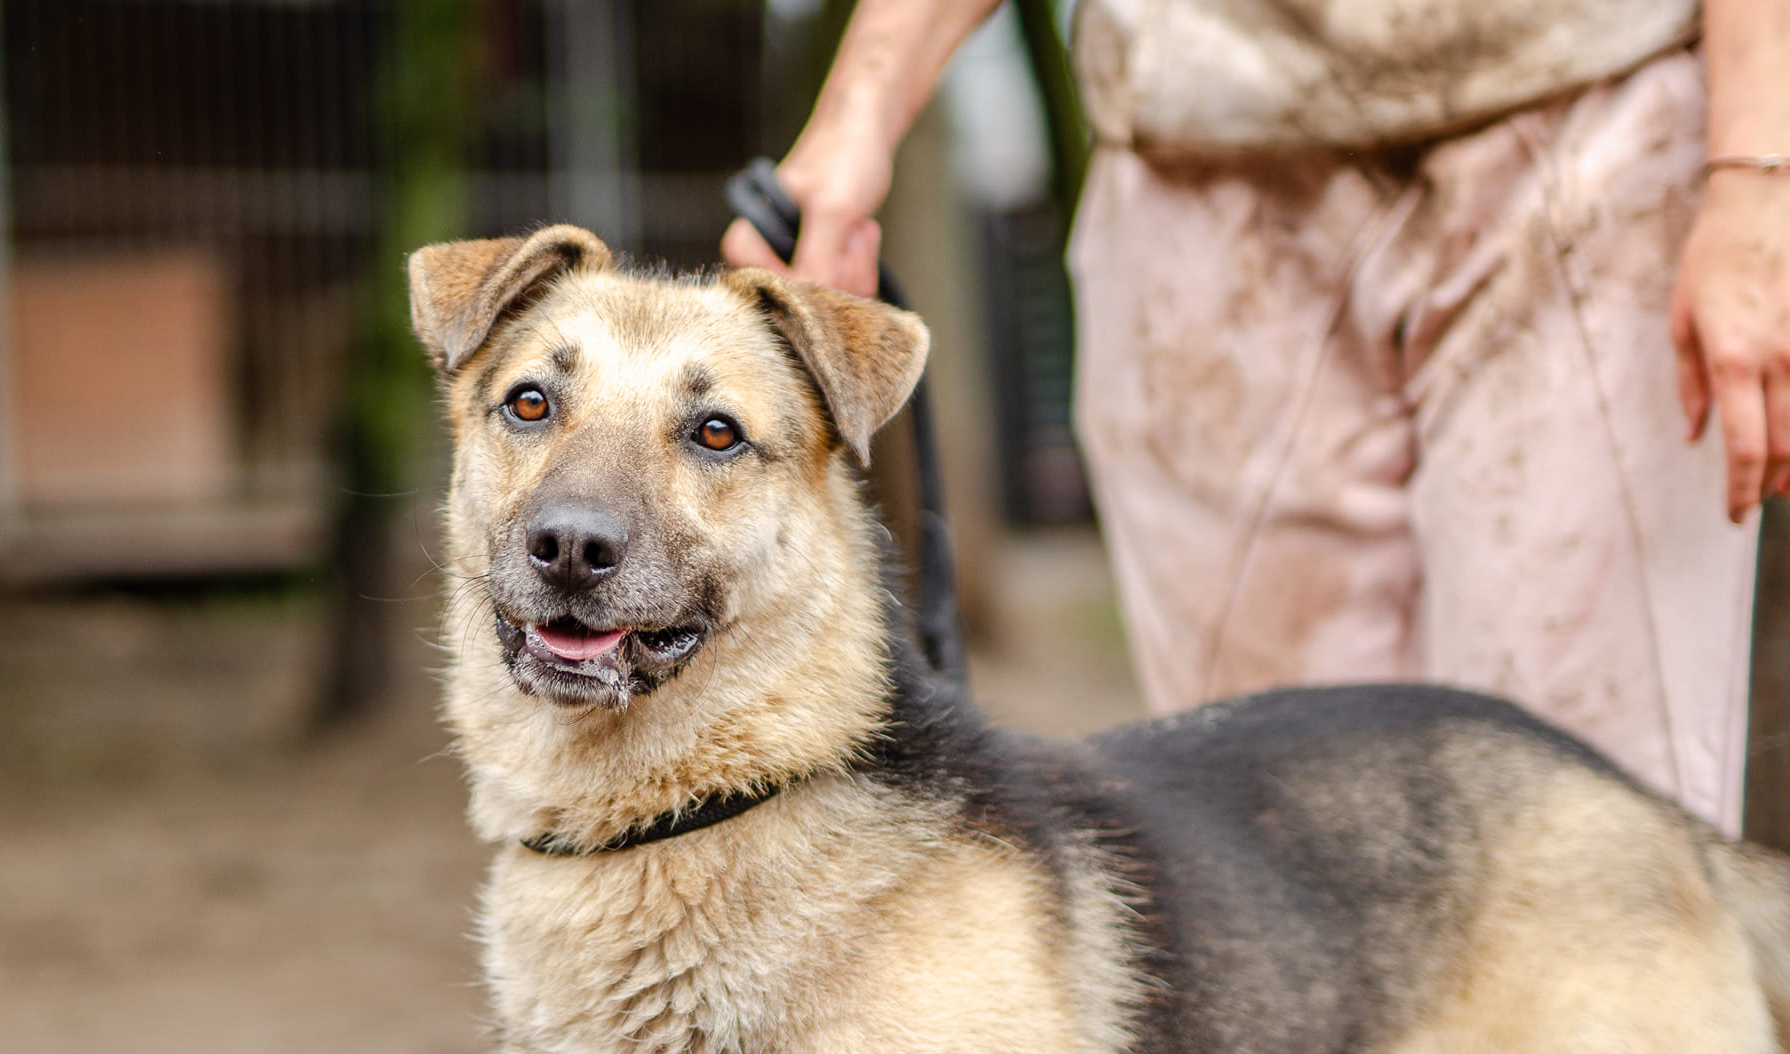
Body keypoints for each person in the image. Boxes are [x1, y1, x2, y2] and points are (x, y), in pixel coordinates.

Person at [722, 0, 1790, 844]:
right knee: (1276, 841)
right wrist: (859, 114)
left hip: (1587, 120)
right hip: (1199, 154)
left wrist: (1756, 173)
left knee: (1591, 831)